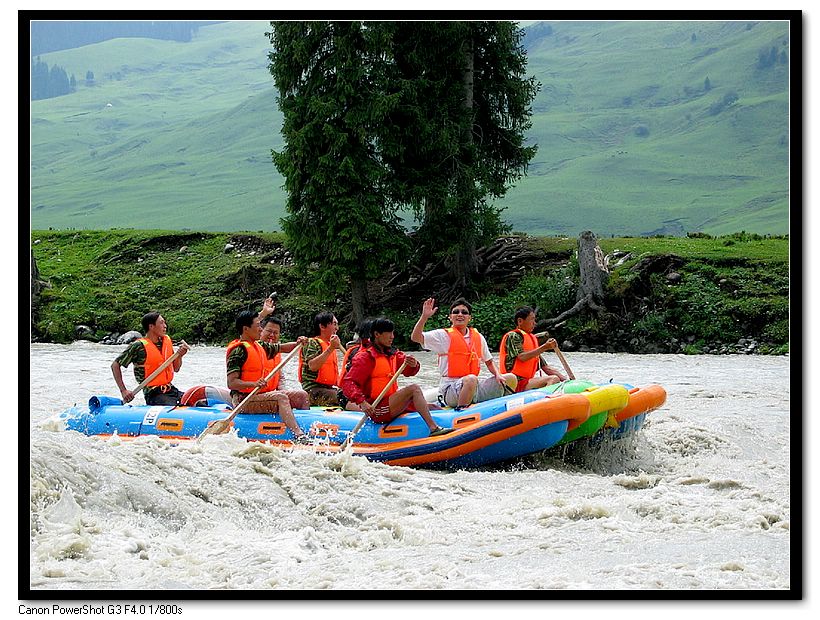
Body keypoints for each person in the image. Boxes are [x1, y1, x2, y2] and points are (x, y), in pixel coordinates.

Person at [341, 318, 452, 436]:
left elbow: (410, 372)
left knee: (434, 407)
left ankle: (449, 429)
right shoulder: (365, 358)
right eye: (389, 333)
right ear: (377, 334)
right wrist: (362, 402)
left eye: (393, 333)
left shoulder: (392, 354)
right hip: (377, 409)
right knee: (414, 389)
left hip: (391, 403)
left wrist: (413, 365)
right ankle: (433, 428)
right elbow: (348, 383)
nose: (392, 336)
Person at [411, 297, 517, 409]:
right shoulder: (443, 336)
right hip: (450, 390)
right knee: (471, 379)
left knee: (510, 378)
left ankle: (503, 411)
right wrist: (424, 317)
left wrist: (498, 374)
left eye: (464, 312)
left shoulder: (478, 337)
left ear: (469, 318)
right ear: (450, 317)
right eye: (456, 312)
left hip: (474, 387)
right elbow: (416, 337)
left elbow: (489, 362)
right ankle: (461, 412)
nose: (460, 314)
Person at [225, 309, 310, 443]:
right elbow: (232, 383)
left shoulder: (260, 345)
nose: (260, 329)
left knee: (302, 395)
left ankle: (308, 427)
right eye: (258, 326)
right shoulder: (238, 351)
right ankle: (299, 435)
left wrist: (299, 343)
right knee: (280, 397)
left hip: (261, 395)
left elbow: (282, 348)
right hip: (244, 399)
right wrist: (253, 384)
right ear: (246, 329)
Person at [111, 311, 190, 405]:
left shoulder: (166, 342)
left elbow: (176, 369)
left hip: (170, 390)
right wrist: (123, 391)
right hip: (154, 394)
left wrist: (179, 356)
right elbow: (115, 365)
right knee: (177, 407)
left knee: (197, 402)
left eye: (165, 322)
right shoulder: (138, 346)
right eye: (161, 323)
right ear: (151, 326)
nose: (165, 326)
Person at [499, 306, 567, 392]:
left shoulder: (532, 340)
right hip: (514, 383)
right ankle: (544, 401)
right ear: (520, 321)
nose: (534, 323)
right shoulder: (513, 336)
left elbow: (546, 368)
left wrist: (566, 380)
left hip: (526, 382)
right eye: (532, 320)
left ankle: (544, 399)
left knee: (555, 378)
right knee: (552, 379)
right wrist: (545, 347)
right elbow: (522, 357)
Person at [257, 302, 310, 411]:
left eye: (276, 333)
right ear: (260, 331)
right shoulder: (254, 345)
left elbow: (281, 381)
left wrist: (286, 396)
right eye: (269, 331)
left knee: (302, 395)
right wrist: (263, 313)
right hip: (252, 396)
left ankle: (305, 422)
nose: (272, 335)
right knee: (281, 397)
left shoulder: (276, 352)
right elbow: (247, 327)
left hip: (271, 395)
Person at [299, 311, 349, 407]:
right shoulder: (312, 343)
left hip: (328, 389)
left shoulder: (331, 346)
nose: (337, 328)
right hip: (313, 391)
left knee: (352, 394)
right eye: (334, 324)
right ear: (322, 326)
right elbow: (312, 366)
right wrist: (330, 348)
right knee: (345, 397)